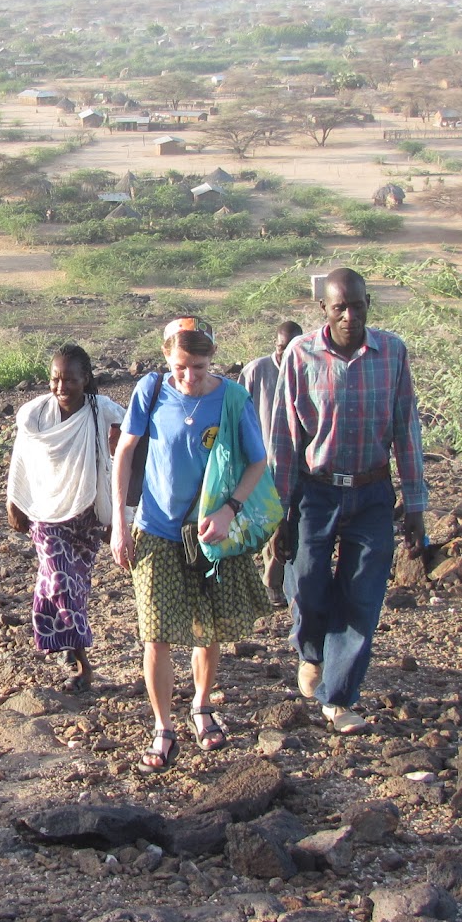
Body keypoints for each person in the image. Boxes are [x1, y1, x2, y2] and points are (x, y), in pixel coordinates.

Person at [268, 268, 427, 736]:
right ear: (324, 309)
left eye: (357, 306)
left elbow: (406, 428)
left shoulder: (391, 352)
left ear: (368, 304)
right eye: (340, 307)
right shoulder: (301, 355)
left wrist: (415, 505)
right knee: (309, 584)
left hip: (373, 492)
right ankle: (312, 652)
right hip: (316, 490)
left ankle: (339, 698)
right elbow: (284, 437)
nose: (350, 316)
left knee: (363, 597)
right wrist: (280, 512)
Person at [112, 319, 272, 772]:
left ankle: (201, 705)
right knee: (156, 633)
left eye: (199, 367)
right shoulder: (150, 390)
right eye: (181, 367)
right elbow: (125, 453)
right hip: (156, 529)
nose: (189, 377)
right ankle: (163, 727)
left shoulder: (232, 398)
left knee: (208, 627)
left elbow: (258, 461)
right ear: (167, 358)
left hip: (208, 534)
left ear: (212, 360)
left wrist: (229, 511)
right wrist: (120, 524)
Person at [6, 344, 124, 693]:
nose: (61, 387)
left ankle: (67, 647)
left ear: (85, 379)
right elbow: (21, 458)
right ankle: (83, 663)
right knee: (60, 581)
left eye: (70, 380)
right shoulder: (35, 415)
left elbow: (128, 448)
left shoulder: (102, 411)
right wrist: (16, 501)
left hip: (87, 514)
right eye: (55, 379)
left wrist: (118, 515)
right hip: (45, 514)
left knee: (71, 586)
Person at [241, 322, 303, 606]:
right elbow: (236, 411)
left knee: (285, 521)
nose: (286, 353)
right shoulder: (257, 371)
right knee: (262, 522)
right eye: (281, 348)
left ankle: (274, 581)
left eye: (292, 348)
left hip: (296, 462)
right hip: (259, 462)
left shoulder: (307, 369)